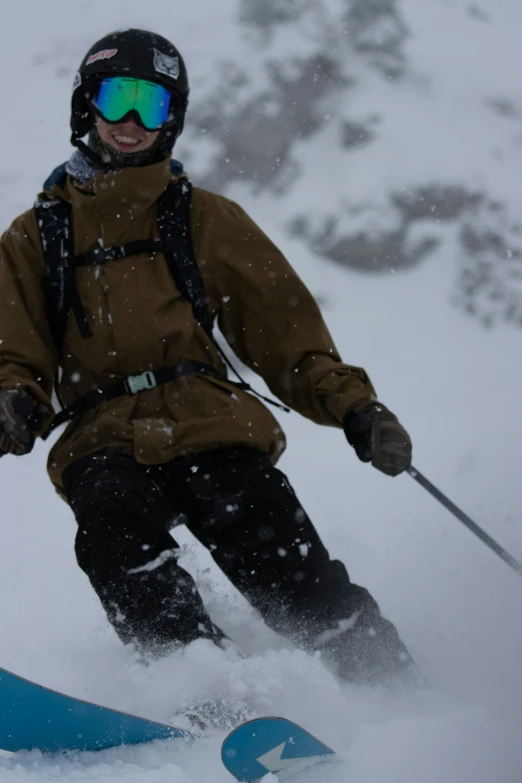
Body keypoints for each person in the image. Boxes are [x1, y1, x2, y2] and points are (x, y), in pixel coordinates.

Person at [0, 29, 415, 690]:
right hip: (102, 437)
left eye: (152, 105)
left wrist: (356, 408)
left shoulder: (205, 219)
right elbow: (14, 349)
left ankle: (391, 687)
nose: (132, 122)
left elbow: (288, 338)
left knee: (284, 559)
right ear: (88, 106)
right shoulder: (36, 236)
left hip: (209, 424)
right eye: (118, 98)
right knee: (112, 531)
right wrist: (15, 400)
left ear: (173, 119)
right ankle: (200, 681)